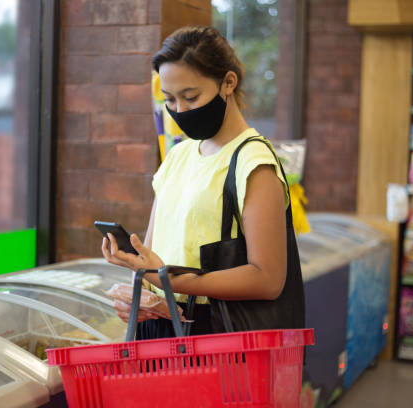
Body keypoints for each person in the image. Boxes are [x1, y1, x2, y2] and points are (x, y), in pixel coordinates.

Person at [102, 26, 303, 339]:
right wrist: (140, 293)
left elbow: (268, 278)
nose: (180, 110)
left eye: (191, 97)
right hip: (161, 331)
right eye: (169, 99)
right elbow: (155, 254)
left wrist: (171, 281)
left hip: (219, 338)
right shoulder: (177, 156)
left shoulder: (253, 162)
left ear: (228, 83)